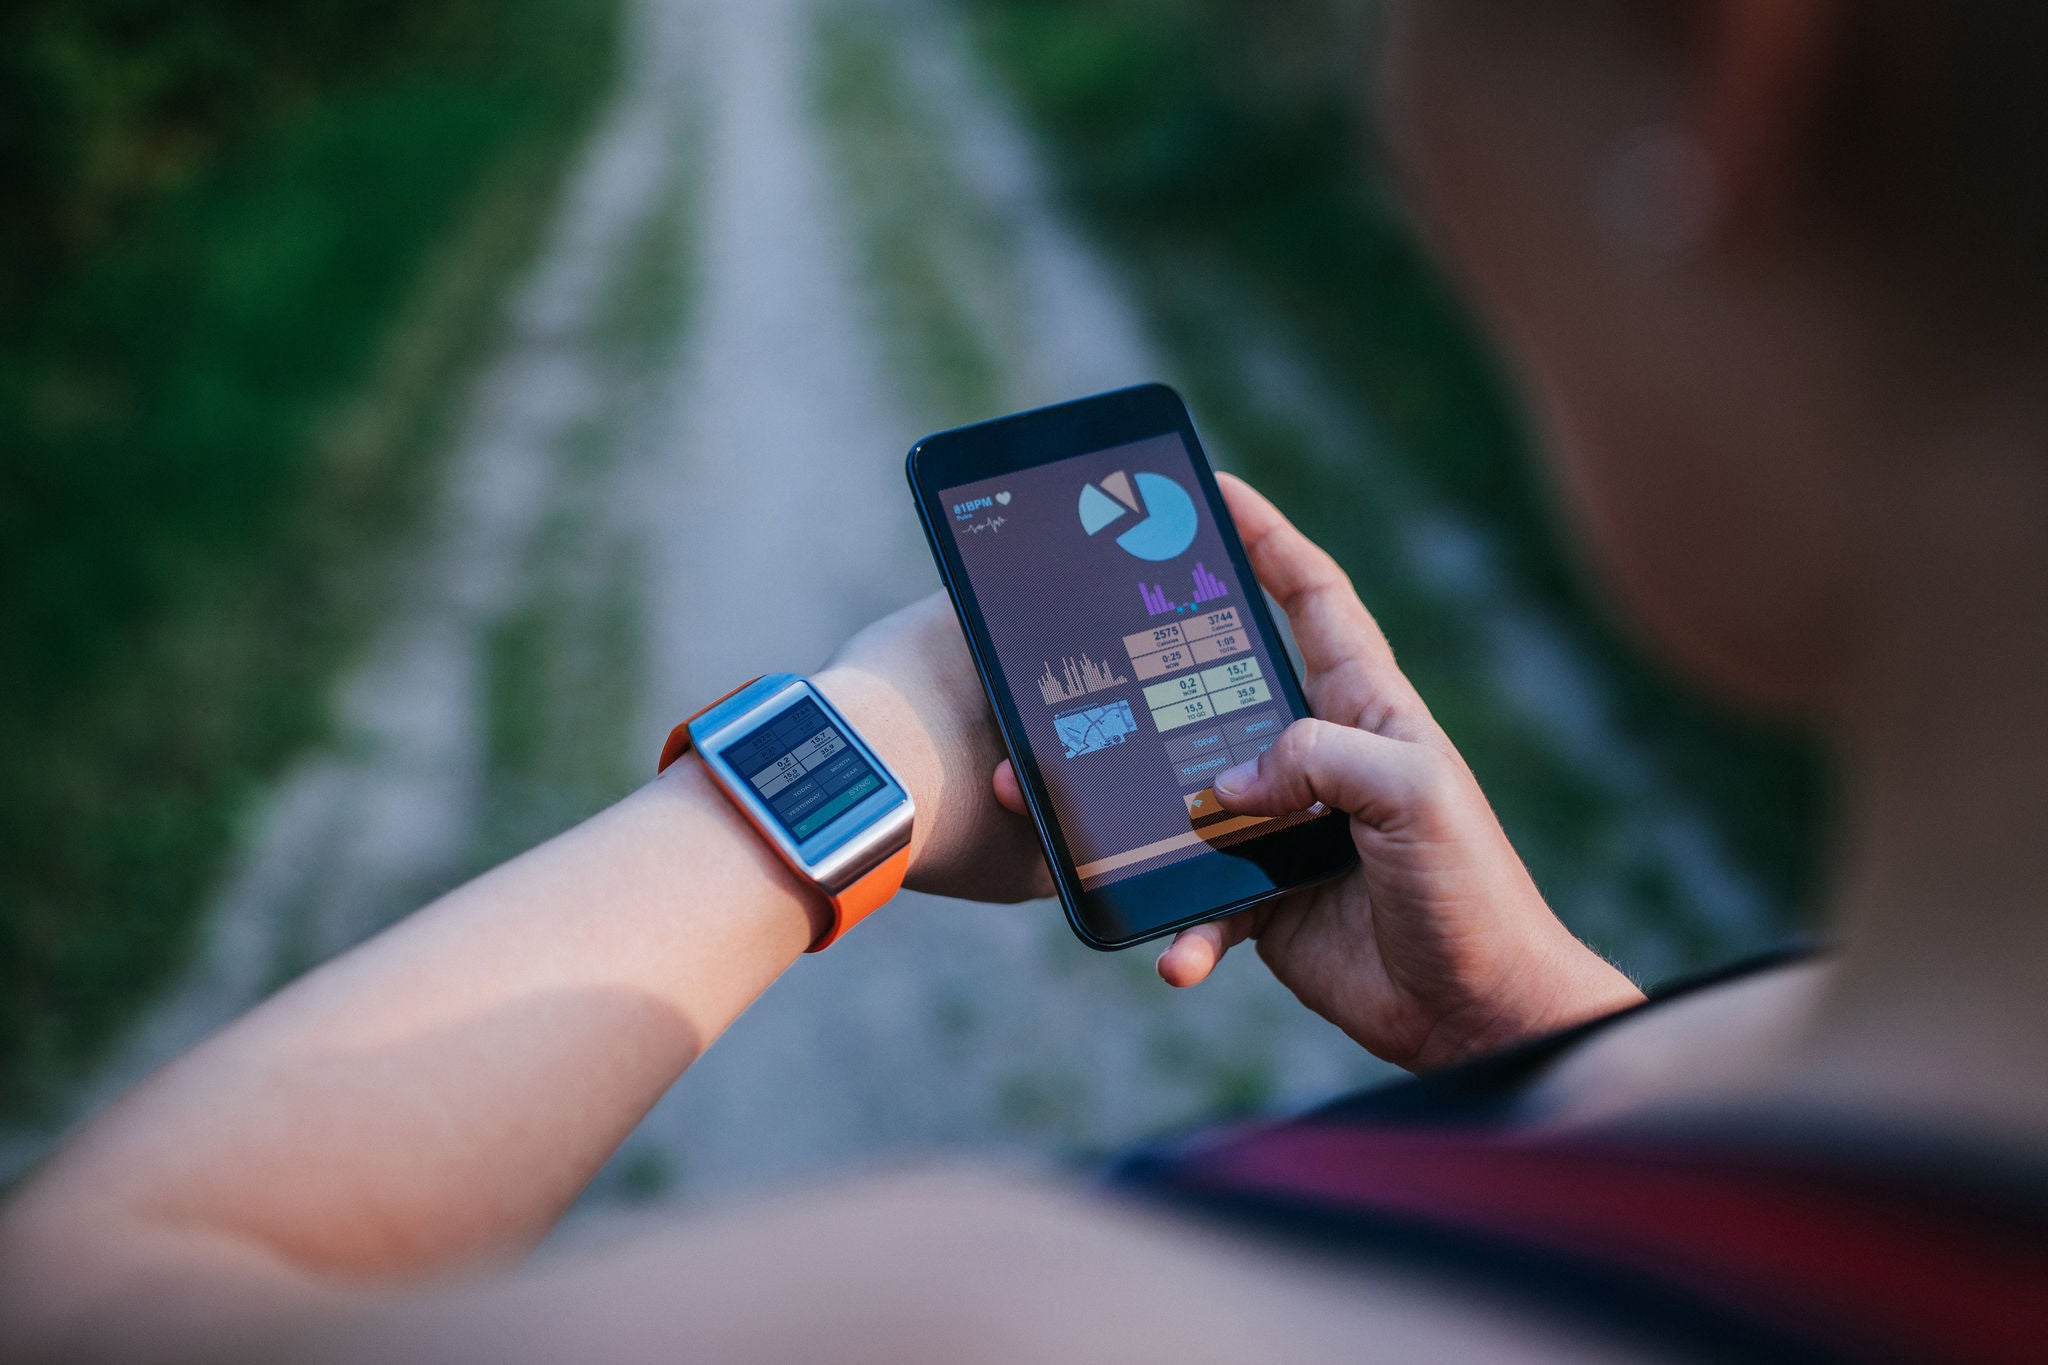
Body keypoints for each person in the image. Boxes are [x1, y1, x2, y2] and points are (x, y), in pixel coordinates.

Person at [5, 1, 2046, 1359]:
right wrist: (1560, 1029)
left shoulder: (1001, 1319)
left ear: (1728, 84)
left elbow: (84, 1293)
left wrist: (865, 746)